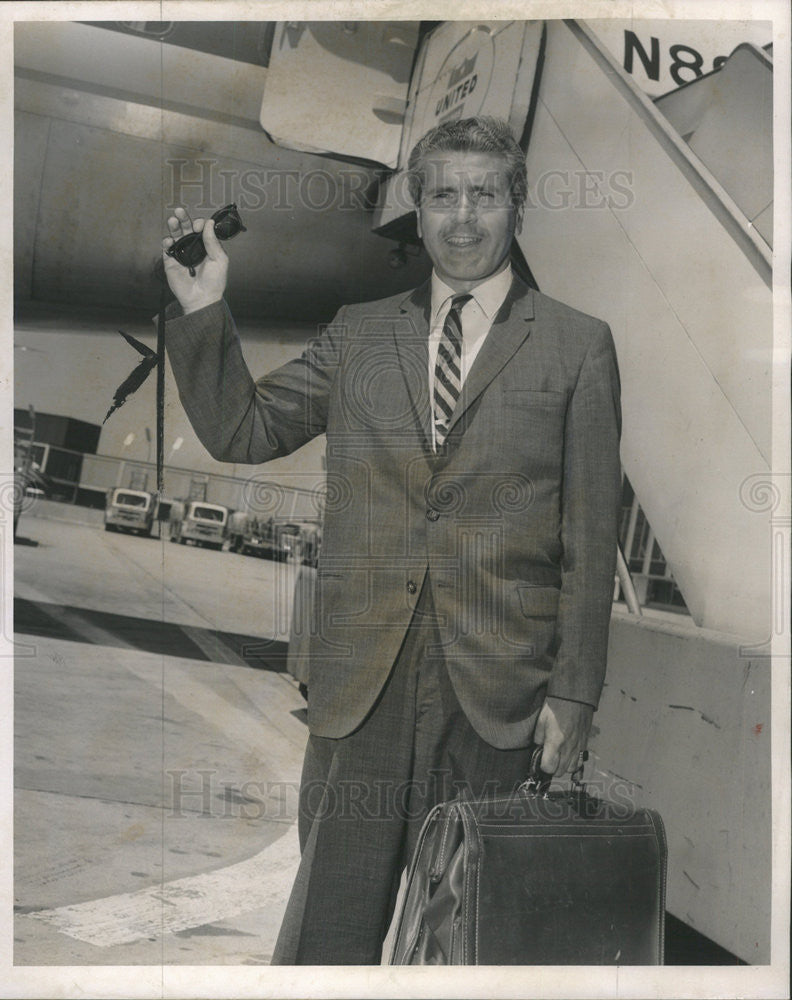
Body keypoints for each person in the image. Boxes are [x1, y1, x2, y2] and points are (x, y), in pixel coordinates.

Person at [161, 116, 622, 965]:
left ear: (517, 205)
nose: (462, 216)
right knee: (325, 941)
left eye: (484, 193)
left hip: (498, 696)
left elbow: (590, 538)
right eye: (441, 193)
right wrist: (203, 307)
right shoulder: (360, 332)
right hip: (360, 685)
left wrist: (577, 694)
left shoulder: (577, 346)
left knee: (472, 945)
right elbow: (244, 430)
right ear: (417, 206)